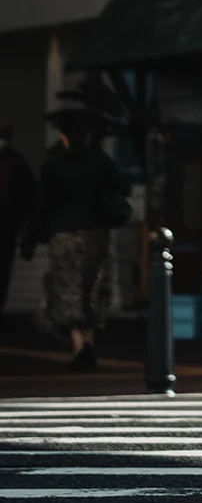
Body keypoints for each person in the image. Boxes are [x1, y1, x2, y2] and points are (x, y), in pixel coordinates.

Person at [18, 109, 129, 370]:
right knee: (93, 288)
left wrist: (30, 239)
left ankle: (80, 344)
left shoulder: (54, 166)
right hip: (96, 233)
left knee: (68, 290)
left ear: (63, 136)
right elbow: (121, 190)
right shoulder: (102, 162)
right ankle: (87, 342)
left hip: (64, 235)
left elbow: (42, 205)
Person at [0, 122, 37, 317]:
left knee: (3, 270)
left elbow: (28, 195)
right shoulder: (16, 161)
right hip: (8, 226)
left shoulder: (15, 162)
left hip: (6, 227)